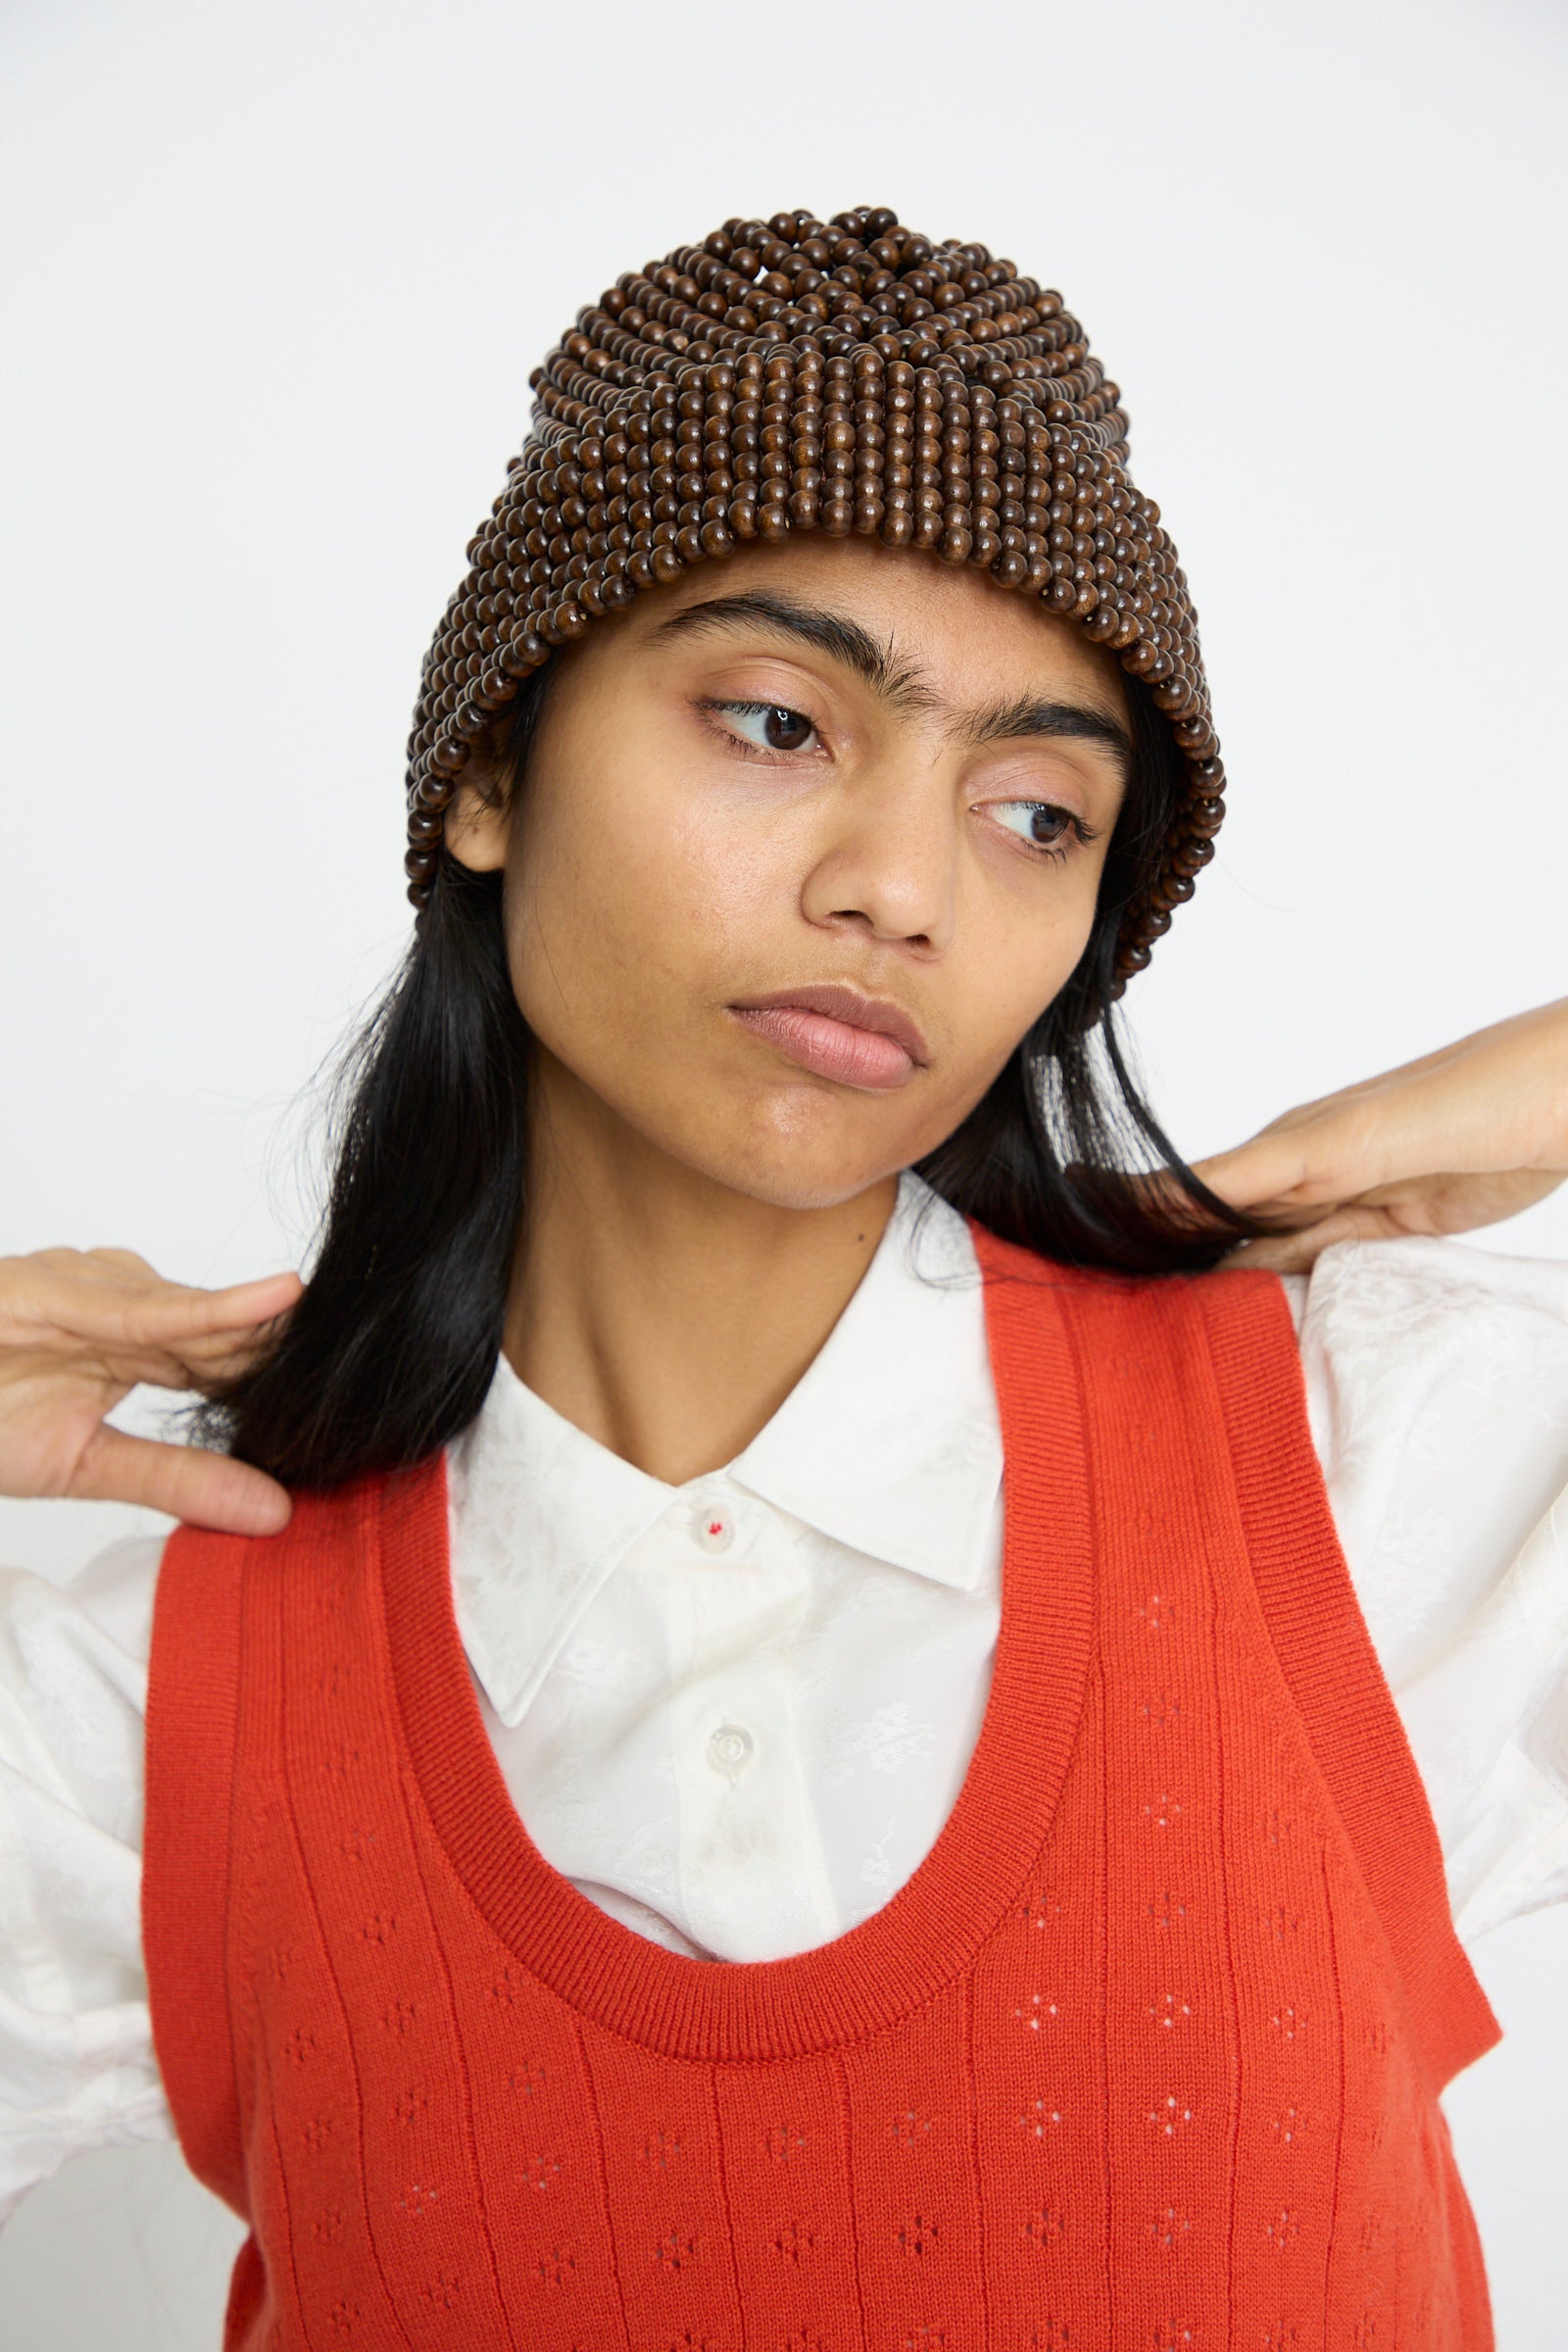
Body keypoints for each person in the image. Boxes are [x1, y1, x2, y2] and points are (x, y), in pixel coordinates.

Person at [2, 203, 1565, 2348]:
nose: (899, 885)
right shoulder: (151, 1692)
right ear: (486, 767)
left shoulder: (1375, 1466)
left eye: (1035, 816)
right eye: (772, 722)